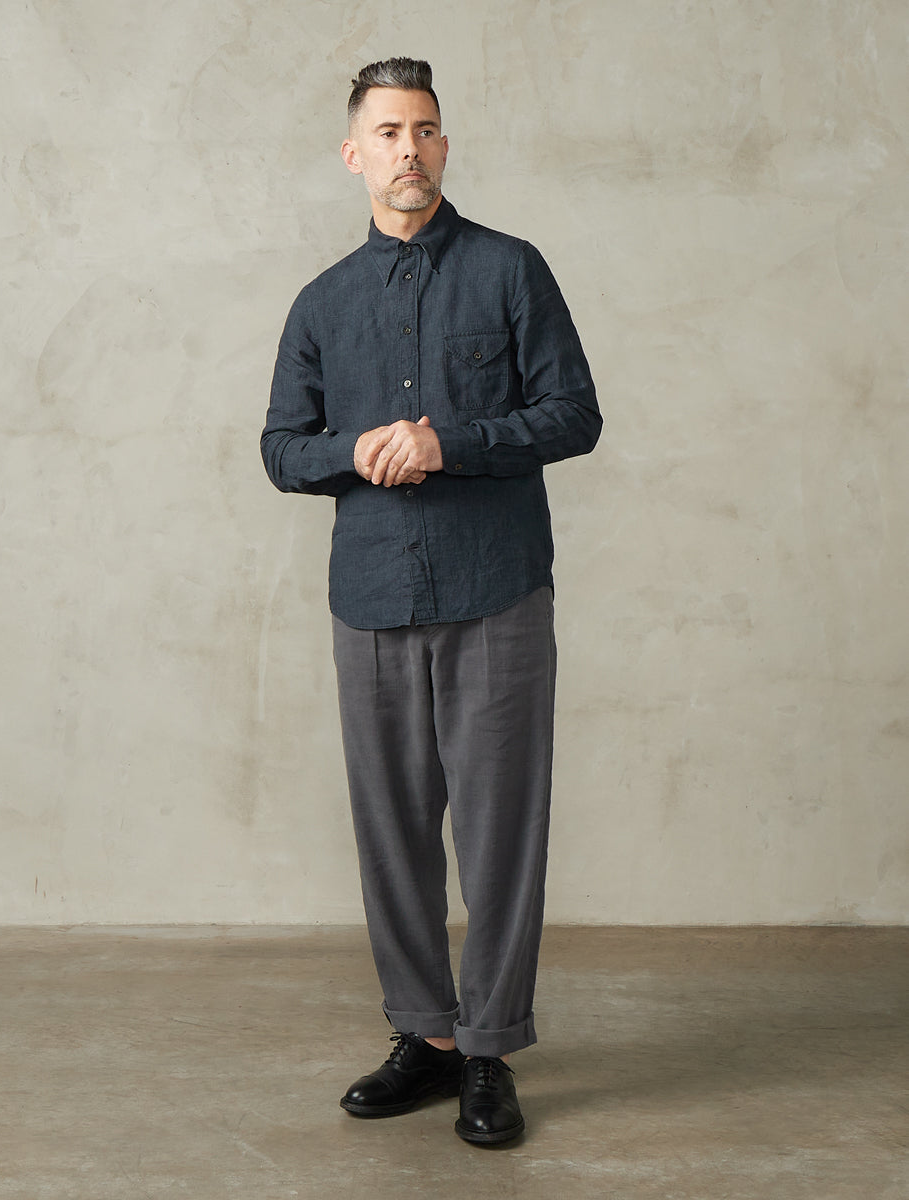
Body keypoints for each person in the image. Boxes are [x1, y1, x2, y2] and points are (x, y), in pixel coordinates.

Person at [260, 57, 601, 1145]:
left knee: (499, 829)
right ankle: (428, 1038)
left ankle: (490, 1047)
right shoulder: (321, 302)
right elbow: (279, 448)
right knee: (391, 829)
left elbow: (574, 414)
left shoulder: (511, 270)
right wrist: (350, 452)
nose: (409, 149)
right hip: (368, 597)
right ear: (352, 153)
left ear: (443, 145)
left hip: (495, 588)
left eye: (425, 130)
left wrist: (449, 442)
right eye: (388, 132)